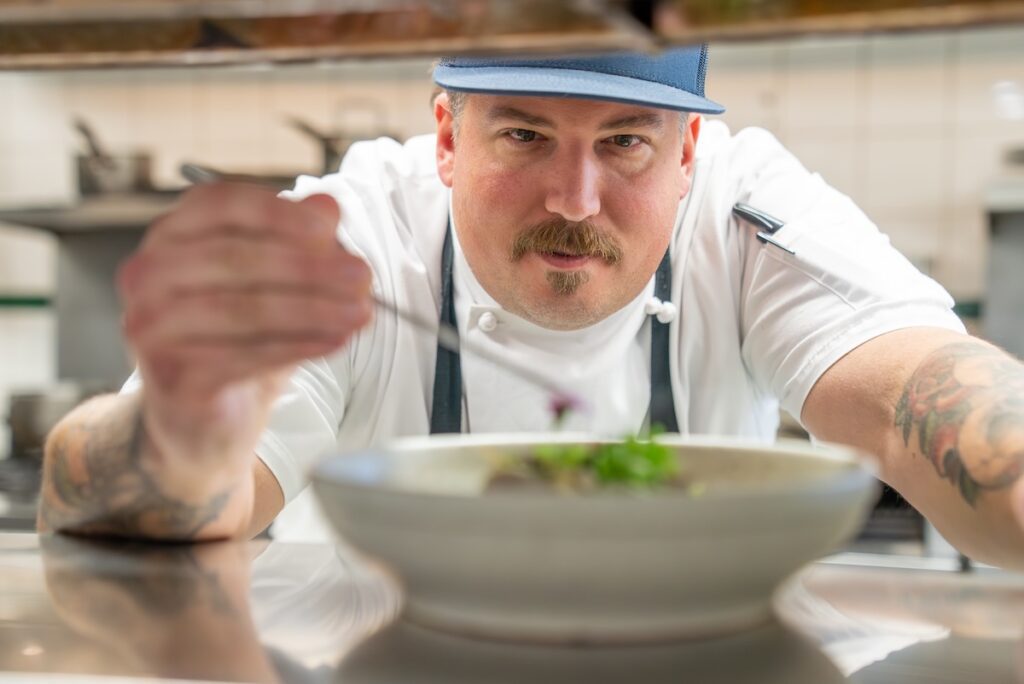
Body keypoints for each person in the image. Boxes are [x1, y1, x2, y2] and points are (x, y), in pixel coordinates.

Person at [37, 47, 1024, 566]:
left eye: (626, 143)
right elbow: (123, 498)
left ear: (687, 154)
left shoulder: (745, 211)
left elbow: (924, 399)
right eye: (522, 134)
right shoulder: (345, 238)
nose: (574, 200)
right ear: (446, 137)